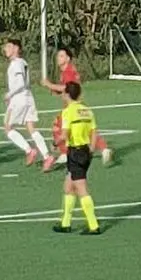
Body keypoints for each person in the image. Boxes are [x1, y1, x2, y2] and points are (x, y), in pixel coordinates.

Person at [43, 47, 112, 165]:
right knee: (86, 129)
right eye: (58, 56)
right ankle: (104, 149)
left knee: (57, 127)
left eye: (61, 56)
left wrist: (49, 85)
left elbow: (66, 88)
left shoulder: (68, 71)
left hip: (72, 106)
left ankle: (64, 153)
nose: (58, 58)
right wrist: (56, 90)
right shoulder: (66, 72)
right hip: (76, 105)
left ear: (68, 58)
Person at [53, 81, 103, 234]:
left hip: (75, 152)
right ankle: (65, 223)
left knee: (81, 189)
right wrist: (92, 149)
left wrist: (55, 143)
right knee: (68, 187)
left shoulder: (68, 112)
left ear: (67, 94)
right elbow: (94, 131)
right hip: (85, 151)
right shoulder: (87, 111)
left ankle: (93, 225)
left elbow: (64, 135)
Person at [2, 39, 49, 168]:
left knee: (8, 127)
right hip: (28, 97)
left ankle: (29, 150)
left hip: (19, 99)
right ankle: (47, 156)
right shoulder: (22, 62)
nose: (5, 49)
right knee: (31, 127)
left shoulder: (16, 64)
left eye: (8, 46)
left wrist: (9, 94)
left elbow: (21, 83)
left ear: (16, 49)